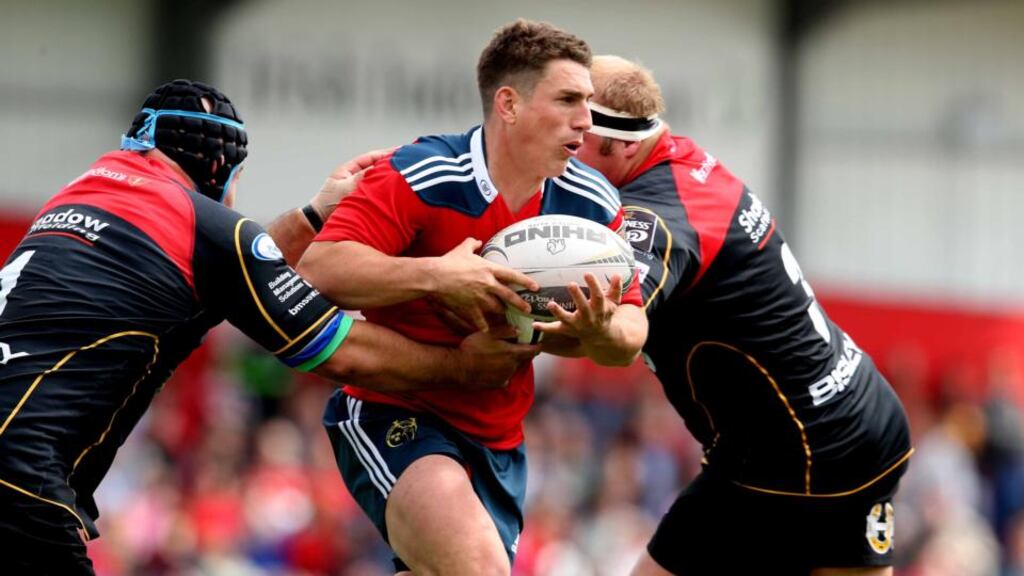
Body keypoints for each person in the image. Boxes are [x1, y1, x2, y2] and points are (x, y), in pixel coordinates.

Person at [0, 79, 539, 575]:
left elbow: (221, 275)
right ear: (222, 172)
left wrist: (314, 215)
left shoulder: (73, 202)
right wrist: (460, 366)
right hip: (20, 477)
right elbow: (341, 352)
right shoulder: (206, 226)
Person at [298, 20, 648, 576]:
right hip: (397, 413)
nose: (586, 119)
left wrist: (599, 328)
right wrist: (438, 276)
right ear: (508, 104)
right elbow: (318, 269)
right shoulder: (422, 173)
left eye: (587, 101)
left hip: (499, 440)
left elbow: (628, 338)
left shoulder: (589, 200)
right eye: (567, 100)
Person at [573, 55, 914, 576]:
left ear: (619, 144)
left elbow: (619, 331)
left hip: (797, 453)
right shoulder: (682, 162)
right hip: (860, 419)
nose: (566, 154)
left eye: (576, 139)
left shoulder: (654, 216)